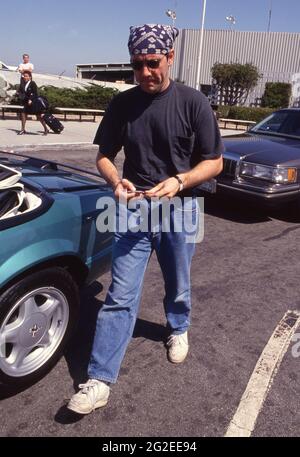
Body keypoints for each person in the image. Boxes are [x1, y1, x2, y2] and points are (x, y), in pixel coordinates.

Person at [67, 24, 224, 415]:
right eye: (138, 65)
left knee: (179, 281)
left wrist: (179, 180)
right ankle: (99, 380)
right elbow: (104, 156)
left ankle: (178, 327)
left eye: (152, 63)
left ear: (170, 57)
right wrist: (116, 180)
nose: (145, 72)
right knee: (120, 295)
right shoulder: (122, 104)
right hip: (133, 208)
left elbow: (215, 162)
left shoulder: (193, 103)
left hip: (181, 208)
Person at [17, 70, 49, 135]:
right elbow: (20, 91)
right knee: (23, 113)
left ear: (30, 77)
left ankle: (46, 129)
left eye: (26, 76)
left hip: (34, 103)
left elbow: (35, 93)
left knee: (39, 116)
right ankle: (23, 130)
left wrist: (31, 99)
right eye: (24, 76)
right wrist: (19, 93)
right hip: (27, 103)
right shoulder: (23, 84)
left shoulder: (32, 83)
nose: (25, 77)